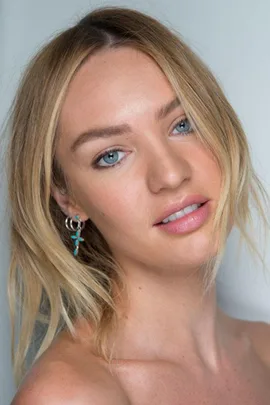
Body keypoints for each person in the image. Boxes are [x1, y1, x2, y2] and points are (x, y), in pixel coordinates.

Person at [8, 6, 270, 404]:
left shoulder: (265, 350)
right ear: (68, 199)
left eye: (183, 124)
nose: (169, 174)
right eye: (111, 155)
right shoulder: (70, 396)